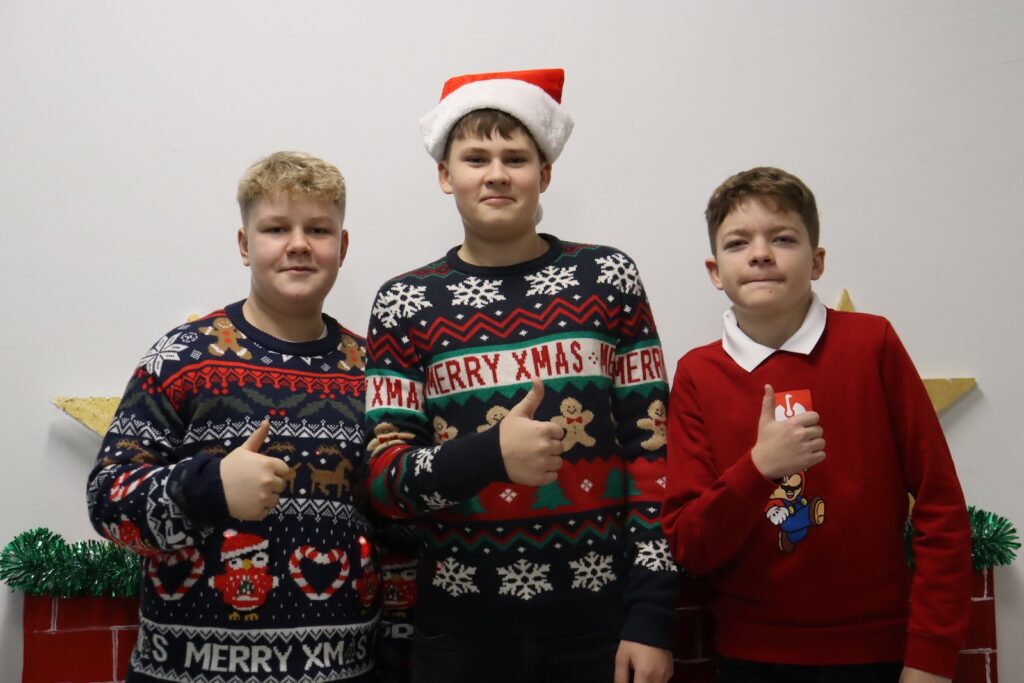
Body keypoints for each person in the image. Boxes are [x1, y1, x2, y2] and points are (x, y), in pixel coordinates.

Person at [363, 68, 677, 683]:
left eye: (515, 158)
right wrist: (490, 455)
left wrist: (651, 617)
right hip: (459, 636)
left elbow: (654, 459)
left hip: (603, 628)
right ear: (445, 175)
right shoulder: (404, 303)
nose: (497, 174)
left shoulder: (608, 279)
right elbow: (384, 483)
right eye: (476, 158)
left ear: (545, 174)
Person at [661, 166, 972, 682]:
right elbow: (691, 545)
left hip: (880, 653)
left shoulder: (872, 344)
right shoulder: (697, 374)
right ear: (715, 271)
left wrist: (932, 657)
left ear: (817, 261)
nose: (761, 254)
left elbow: (940, 504)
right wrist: (758, 468)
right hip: (753, 658)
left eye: (783, 238)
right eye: (738, 242)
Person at [87, 151, 379, 683]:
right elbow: (107, 502)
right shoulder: (181, 359)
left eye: (318, 229)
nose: (298, 244)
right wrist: (209, 488)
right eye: (276, 228)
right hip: (184, 670)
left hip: (342, 669)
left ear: (342, 246)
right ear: (245, 245)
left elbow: (394, 523)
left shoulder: (372, 370)